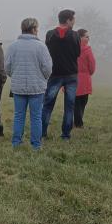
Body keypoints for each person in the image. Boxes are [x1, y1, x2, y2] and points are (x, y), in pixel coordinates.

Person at [4, 18, 52, 149]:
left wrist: (14, 76)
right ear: (33, 29)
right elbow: (47, 68)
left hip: (18, 87)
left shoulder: (13, 46)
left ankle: (16, 143)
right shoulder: (41, 46)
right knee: (36, 117)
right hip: (37, 87)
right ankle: (36, 145)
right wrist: (43, 78)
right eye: (37, 28)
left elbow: (7, 67)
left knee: (18, 116)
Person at [41, 9, 81, 140]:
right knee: (69, 106)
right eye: (73, 19)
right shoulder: (75, 35)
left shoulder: (50, 34)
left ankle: (42, 133)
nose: (74, 22)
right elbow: (78, 53)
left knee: (48, 105)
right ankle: (66, 135)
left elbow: (47, 53)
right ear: (68, 20)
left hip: (55, 74)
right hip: (71, 75)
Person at [74, 28, 96, 128]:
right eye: (86, 37)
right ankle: (79, 123)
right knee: (82, 102)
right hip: (84, 80)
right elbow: (92, 66)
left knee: (75, 103)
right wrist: (88, 73)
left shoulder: (71, 48)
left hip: (72, 79)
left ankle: (76, 122)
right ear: (80, 38)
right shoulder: (87, 50)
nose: (88, 39)